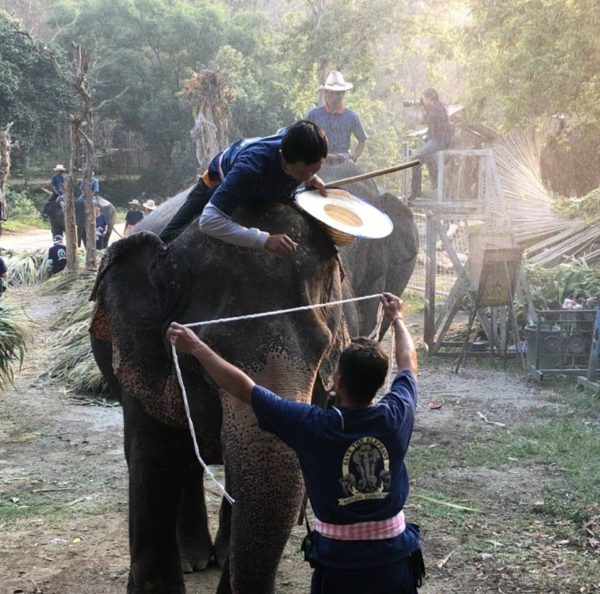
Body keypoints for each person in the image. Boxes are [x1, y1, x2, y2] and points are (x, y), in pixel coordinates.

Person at [168, 292, 425, 594]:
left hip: (340, 567)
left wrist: (197, 348)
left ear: (337, 380)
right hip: (394, 561)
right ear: (381, 383)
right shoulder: (397, 414)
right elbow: (408, 363)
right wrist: (397, 318)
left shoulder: (312, 426)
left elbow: (246, 389)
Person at [158, 120, 328, 252]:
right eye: (301, 173)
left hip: (267, 192)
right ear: (283, 156)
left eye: (314, 170)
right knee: (164, 243)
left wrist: (312, 177)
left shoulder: (295, 141)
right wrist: (264, 240)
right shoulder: (250, 168)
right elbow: (209, 221)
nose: (306, 177)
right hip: (217, 184)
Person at [305, 71, 368, 163]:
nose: (335, 96)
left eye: (338, 93)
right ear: (326, 93)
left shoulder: (351, 117)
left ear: (343, 94)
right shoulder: (313, 115)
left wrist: (354, 157)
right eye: (331, 93)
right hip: (319, 161)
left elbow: (362, 140)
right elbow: (303, 138)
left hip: (343, 161)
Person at [409, 88, 452, 201]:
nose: (423, 100)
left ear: (429, 98)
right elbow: (423, 120)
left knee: (416, 159)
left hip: (439, 139)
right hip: (435, 139)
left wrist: (419, 109)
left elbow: (423, 120)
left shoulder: (437, 108)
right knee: (425, 157)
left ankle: (416, 191)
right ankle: (433, 184)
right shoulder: (434, 107)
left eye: (424, 98)